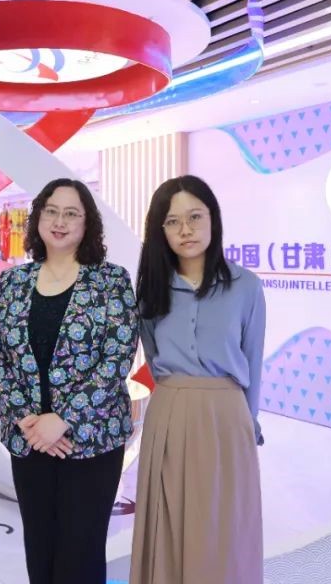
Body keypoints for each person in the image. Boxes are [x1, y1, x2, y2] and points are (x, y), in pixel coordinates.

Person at [0, 178, 138, 584]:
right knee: (40, 548)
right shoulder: (14, 281)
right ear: (37, 219)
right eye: (51, 211)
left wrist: (63, 419)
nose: (59, 221)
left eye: (72, 213)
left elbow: (116, 357)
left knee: (80, 553)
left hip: (91, 441)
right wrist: (27, 419)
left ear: (88, 224)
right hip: (30, 439)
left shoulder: (111, 281)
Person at [130, 175, 266, 584]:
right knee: (169, 521)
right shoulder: (151, 290)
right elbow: (153, 354)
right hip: (169, 414)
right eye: (172, 222)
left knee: (224, 527)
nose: (185, 230)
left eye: (195, 217)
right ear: (161, 231)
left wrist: (249, 423)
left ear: (213, 219)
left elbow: (253, 360)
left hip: (227, 419)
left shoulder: (246, 286)